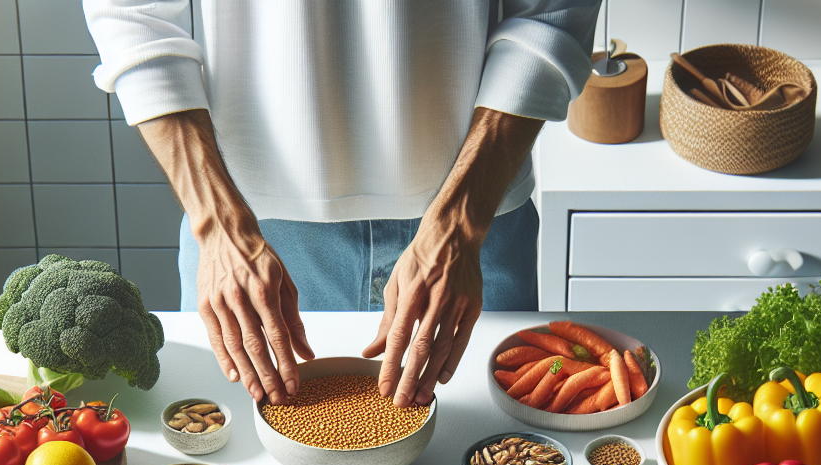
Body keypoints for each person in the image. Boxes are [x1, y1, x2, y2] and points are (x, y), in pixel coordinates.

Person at [84, 1, 601, 407]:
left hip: (473, 232)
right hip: (249, 248)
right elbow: (133, 14)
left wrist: (459, 224)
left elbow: (549, 13)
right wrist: (217, 226)